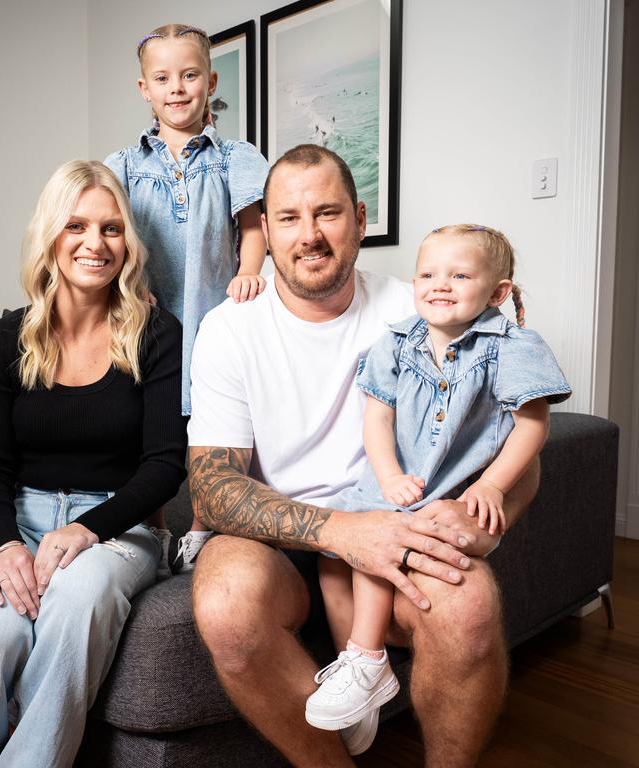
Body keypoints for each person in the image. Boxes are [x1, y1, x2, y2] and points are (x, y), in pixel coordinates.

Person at [186, 144, 542, 766]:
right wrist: (344, 532)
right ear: (265, 230)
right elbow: (213, 487)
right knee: (225, 602)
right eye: (290, 218)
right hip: (279, 538)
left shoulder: (423, 306)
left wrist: (485, 516)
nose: (310, 235)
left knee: (469, 605)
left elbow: (516, 435)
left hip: (400, 523)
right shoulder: (229, 328)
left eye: (327, 213)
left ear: (360, 217)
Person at [0, 160, 188, 768]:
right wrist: (3, 545)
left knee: (77, 601)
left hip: (117, 530)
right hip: (16, 517)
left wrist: (86, 528)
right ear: (51, 235)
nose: (94, 243)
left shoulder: (155, 333)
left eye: (110, 228)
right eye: (77, 225)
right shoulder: (5, 341)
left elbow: (163, 465)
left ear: (127, 242)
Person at [304, 224, 571, 734]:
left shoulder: (511, 346)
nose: (440, 284)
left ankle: (366, 656)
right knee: (336, 557)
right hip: (401, 484)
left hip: (458, 496)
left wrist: (492, 485)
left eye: (460, 274)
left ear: (497, 293)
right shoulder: (397, 342)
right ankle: (357, 674)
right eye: (428, 273)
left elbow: (533, 425)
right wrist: (388, 475)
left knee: (384, 542)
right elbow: (377, 418)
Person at [104, 23, 269, 572]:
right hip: (147, 315)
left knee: (209, 423)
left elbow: (253, 226)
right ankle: (152, 524)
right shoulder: (125, 165)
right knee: (146, 422)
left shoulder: (236, 158)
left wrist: (247, 274)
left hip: (210, 313)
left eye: (190, 75)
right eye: (163, 78)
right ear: (144, 89)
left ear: (211, 81)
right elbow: (110, 232)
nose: (177, 88)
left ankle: (201, 524)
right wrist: (131, 286)